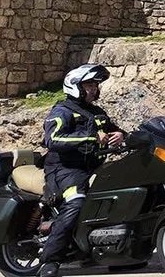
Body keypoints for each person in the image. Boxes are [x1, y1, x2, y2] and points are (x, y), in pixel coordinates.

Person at [38, 64, 125, 277]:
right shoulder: (62, 111)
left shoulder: (97, 112)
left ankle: (116, 254)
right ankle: (50, 260)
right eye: (89, 85)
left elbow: (113, 130)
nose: (94, 89)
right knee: (76, 203)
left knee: (119, 197)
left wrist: (121, 135)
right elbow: (52, 139)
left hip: (93, 167)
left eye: (96, 85)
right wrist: (91, 137)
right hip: (64, 169)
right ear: (75, 86)